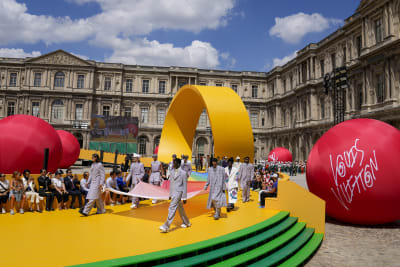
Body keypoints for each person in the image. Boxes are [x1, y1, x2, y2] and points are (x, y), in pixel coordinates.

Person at [159, 158, 191, 233]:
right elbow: (171, 184)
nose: (173, 164)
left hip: (179, 193)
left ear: (179, 164)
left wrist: (185, 197)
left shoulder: (183, 173)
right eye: (173, 163)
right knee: (180, 209)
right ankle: (187, 222)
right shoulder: (172, 172)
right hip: (173, 193)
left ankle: (166, 226)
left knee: (171, 208)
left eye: (175, 163)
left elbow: (185, 186)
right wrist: (170, 194)